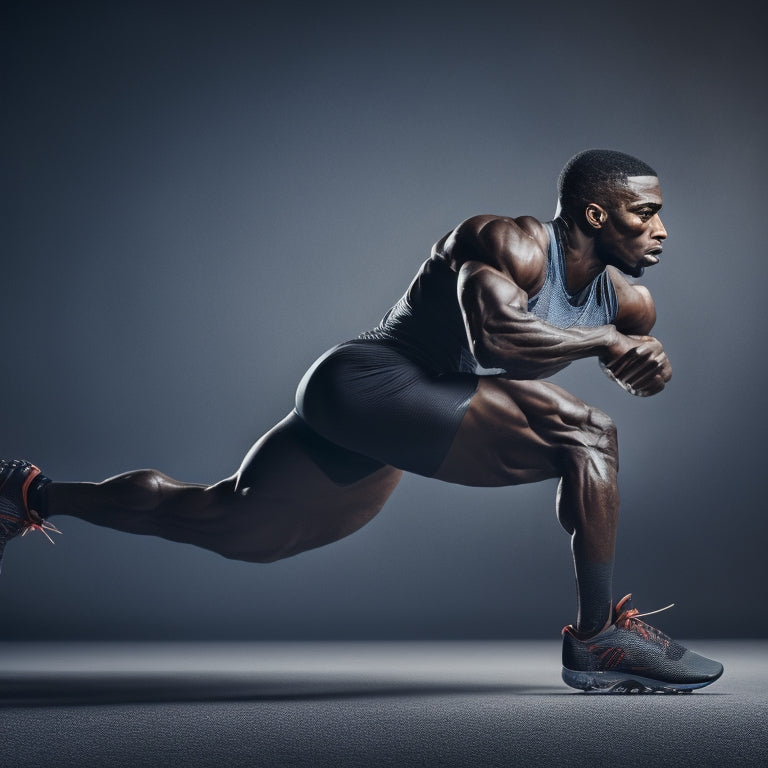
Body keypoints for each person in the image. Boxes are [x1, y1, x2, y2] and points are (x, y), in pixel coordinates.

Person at [0, 149, 723, 693]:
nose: (660, 230)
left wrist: (644, 368)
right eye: (645, 213)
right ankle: (598, 638)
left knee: (234, 523)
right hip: (368, 381)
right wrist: (604, 346)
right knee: (587, 434)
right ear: (597, 215)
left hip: (411, 413)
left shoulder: (628, 304)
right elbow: (496, 342)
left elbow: (612, 359)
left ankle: (30, 493)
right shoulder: (509, 243)